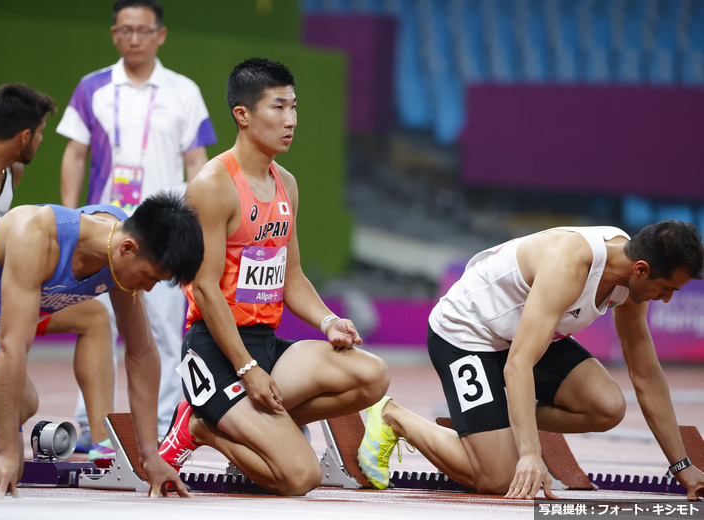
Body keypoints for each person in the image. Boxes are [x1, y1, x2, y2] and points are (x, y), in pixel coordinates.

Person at [157, 57, 390, 496]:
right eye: (278, 108)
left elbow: (292, 275)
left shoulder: (287, 183)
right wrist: (246, 370)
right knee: (300, 477)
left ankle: (253, 427)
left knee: (372, 375)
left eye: (294, 107)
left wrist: (328, 322)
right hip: (215, 350)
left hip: (267, 343)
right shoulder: (212, 185)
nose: (292, 121)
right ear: (242, 116)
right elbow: (205, 290)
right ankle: (202, 427)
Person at [358, 221, 704, 501]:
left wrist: (682, 465)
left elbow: (646, 374)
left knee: (607, 406)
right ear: (641, 269)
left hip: (523, 336)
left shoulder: (633, 271)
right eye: (667, 289)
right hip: (467, 335)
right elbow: (519, 364)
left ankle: (488, 422)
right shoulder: (569, 264)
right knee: (497, 478)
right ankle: (393, 416)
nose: (668, 300)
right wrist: (529, 455)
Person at [0, 191, 202, 497]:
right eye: (150, 277)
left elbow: (141, 352)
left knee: (4, 473)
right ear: (127, 248)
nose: (149, 288)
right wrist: (3, 450)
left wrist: (150, 455)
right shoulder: (37, 236)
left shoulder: (122, 247)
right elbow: (13, 345)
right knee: (22, 404)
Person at [0, 83, 115, 463]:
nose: (42, 140)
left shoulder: (13, 172)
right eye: (42, 132)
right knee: (8, 405)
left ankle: (103, 441)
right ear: (26, 134)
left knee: (93, 315)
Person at [57, 0, 218, 442]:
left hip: (162, 236)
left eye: (143, 31)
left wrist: (193, 227)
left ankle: (163, 422)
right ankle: (93, 423)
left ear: (160, 35)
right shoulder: (92, 88)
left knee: (164, 330)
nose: (134, 38)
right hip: (107, 231)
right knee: (97, 324)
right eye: (125, 30)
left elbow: (196, 162)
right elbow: (74, 153)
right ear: (113, 34)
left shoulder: (183, 91)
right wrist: (70, 218)